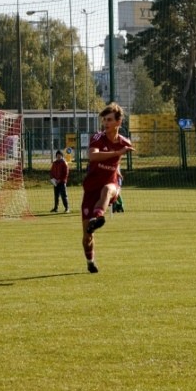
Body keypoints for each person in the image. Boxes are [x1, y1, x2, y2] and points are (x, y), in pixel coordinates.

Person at [80, 103, 134, 273]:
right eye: (104, 119)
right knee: (87, 236)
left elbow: (121, 157)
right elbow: (93, 155)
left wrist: (118, 171)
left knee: (108, 189)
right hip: (91, 189)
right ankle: (90, 261)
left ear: (119, 122)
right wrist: (117, 154)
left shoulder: (124, 142)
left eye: (109, 119)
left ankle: (99, 216)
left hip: (111, 185)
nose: (105, 123)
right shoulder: (98, 137)